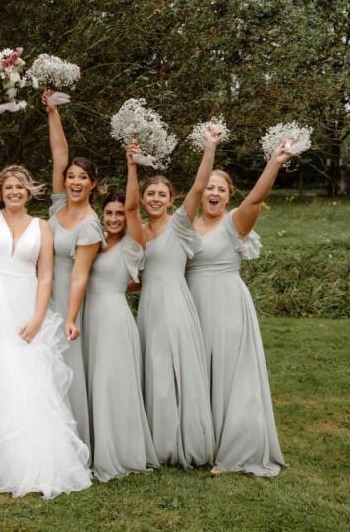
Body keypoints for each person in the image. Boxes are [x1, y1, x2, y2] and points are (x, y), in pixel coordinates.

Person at [0, 116, 92, 499]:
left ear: (29, 192)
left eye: (20, 187)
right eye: (8, 187)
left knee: (29, 382)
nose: (13, 191)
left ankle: (34, 459)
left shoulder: (42, 227)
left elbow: (46, 276)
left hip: (26, 310)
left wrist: (39, 318)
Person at [186, 142, 291, 476]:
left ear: (229, 196)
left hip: (227, 306)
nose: (214, 193)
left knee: (229, 375)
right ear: (200, 192)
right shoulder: (187, 225)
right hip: (192, 307)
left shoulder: (235, 223)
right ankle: (203, 444)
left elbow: (256, 199)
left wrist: (274, 163)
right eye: (209, 187)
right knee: (200, 374)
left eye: (221, 189)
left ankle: (234, 451)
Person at [136, 125, 221, 468]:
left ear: (171, 200)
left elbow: (200, 187)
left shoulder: (180, 224)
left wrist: (209, 148)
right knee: (155, 369)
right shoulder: (139, 233)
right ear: (143, 199)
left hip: (174, 302)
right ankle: (161, 441)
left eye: (162, 194)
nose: (156, 199)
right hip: (149, 306)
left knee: (176, 370)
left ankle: (188, 440)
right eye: (150, 194)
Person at [83, 141, 159, 481]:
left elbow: (132, 208)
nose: (115, 218)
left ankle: (118, 451)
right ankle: (94, 444)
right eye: (109, 213)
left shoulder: (132, 244)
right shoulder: (95, 242)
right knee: (93, 381)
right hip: (90, 318)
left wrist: (131, 166)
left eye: (119, 214)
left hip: (114, 319)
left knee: (111, 382)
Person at [43, 91, 103, 452]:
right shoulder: (59, 206)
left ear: (93, 184)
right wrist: (53, 113)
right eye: (71, 177)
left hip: (68, 297)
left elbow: (80, 275)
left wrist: (70, 317)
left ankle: (71, 442)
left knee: (65, 362)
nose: (75, 181)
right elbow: (59, 155)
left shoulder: (90, 224)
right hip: (44, 289)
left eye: (82, 178)